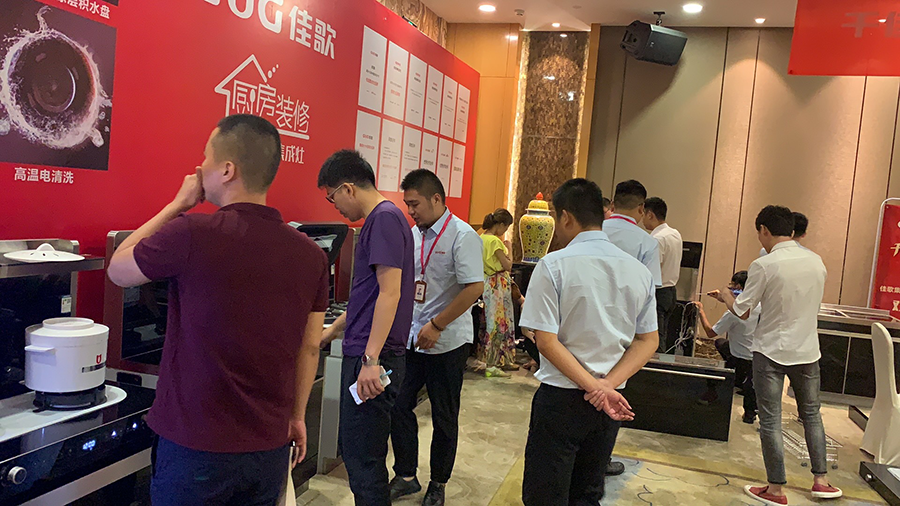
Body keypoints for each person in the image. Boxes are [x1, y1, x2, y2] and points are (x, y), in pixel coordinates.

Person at [107, 115, 329, 505]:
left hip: (195, 449)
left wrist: (178, 204)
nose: (199, 168)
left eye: (205, 157)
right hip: (268, 449)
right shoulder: (312, 255)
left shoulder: (191, 233)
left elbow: (118, 269)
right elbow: (309, 347)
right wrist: (297, 416)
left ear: (227, 170)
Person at [519, 178, 659, 506]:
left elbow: (545, 341)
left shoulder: (553, 265)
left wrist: (593, 387)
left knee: (545, 494)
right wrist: (606, 385)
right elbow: (648, 340)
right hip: (609, 401)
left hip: (562, 397)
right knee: (588, 492)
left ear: (566, 217)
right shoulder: (638, 271)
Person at [711, 205, 842, 505]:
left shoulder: (764, 265)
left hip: (770, 350)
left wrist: (727, 295)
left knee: (770, 420)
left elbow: (743, 311)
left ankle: (776, 489)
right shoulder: (816, 261)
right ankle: (821, 482)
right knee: (812, 414)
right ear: (792, 230)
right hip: (807, 350)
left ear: (765, 230)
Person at [318, 150, 415, 506]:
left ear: (348, 188)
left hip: (376, 359)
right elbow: (369, 296)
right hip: (368, 354)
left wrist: (371, 360)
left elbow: (390, 293)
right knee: (359, 454)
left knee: (364, 461)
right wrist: (332, 330)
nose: (336, 208)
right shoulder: (383, 219)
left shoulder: (384, 219)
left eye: (333, 198)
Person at [390, 170, 484, 506]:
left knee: (444, 415)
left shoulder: (462, 235)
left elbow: (474, 287)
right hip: (413, 338)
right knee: (399, 404)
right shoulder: (412, 235)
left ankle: (438, 483)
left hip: (447, 342)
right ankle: (406, 475)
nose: (410, 211)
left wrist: (438, 325)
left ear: (436, 199)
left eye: (415, 204)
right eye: (406, 204)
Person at [696, 270, 761, 424]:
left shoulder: (732, 315)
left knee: (719, 343)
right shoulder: (761, 305)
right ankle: (750, 414)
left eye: (732, 286)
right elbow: (739, 303)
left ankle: (718, 389)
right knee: (721, 344)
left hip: (739, 354)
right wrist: (721, 297)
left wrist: (701, 312)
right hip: (758, 355)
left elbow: (711, 333)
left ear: (738, 287)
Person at [476, 208, 518, 376]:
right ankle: (494, 363)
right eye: (506, 227)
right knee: (499, 322)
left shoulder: (481, 238)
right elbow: (508, 265)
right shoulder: (495, 241)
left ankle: (492, 359)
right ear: (500, 224)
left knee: (489, 321)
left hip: (486, 282)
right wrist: (510, 249)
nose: (505, 230)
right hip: (497, 284)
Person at [642, 197, 683, 353]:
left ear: (650, 215)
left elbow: (652, 269)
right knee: (663, 335)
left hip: (658, 292)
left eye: (643, 214)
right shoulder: (675, 233)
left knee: (654, 340)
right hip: (671, 291)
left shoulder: (657, 239)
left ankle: (655, 367)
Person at [604, 180, 662, 288]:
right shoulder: (648, 243)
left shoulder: (591, 231)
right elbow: (651, 285)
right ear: (641, 208)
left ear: (612, 205)